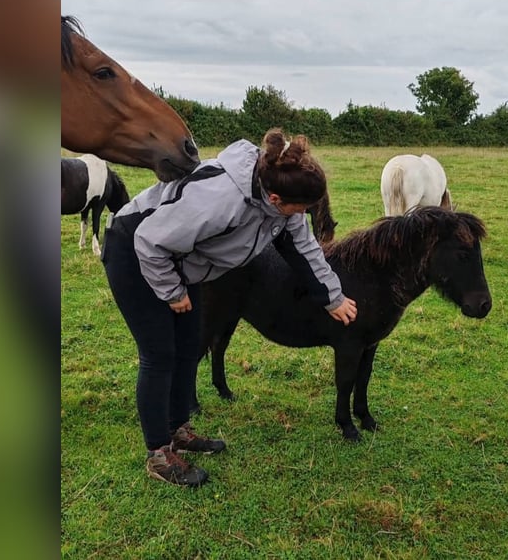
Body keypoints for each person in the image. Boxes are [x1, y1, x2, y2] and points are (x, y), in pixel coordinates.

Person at [101, 128, 358, 487]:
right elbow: (149, 240)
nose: (303, 216)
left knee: (189, 346)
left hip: (179, 257)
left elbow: (305, 251)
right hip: (134, 249)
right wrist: (173, 292)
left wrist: (334, 296)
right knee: (160, 353)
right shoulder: (220, 199)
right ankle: (158, 454)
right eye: (301, 209)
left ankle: (179, 431)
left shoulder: (282, 208)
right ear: (274, 197)